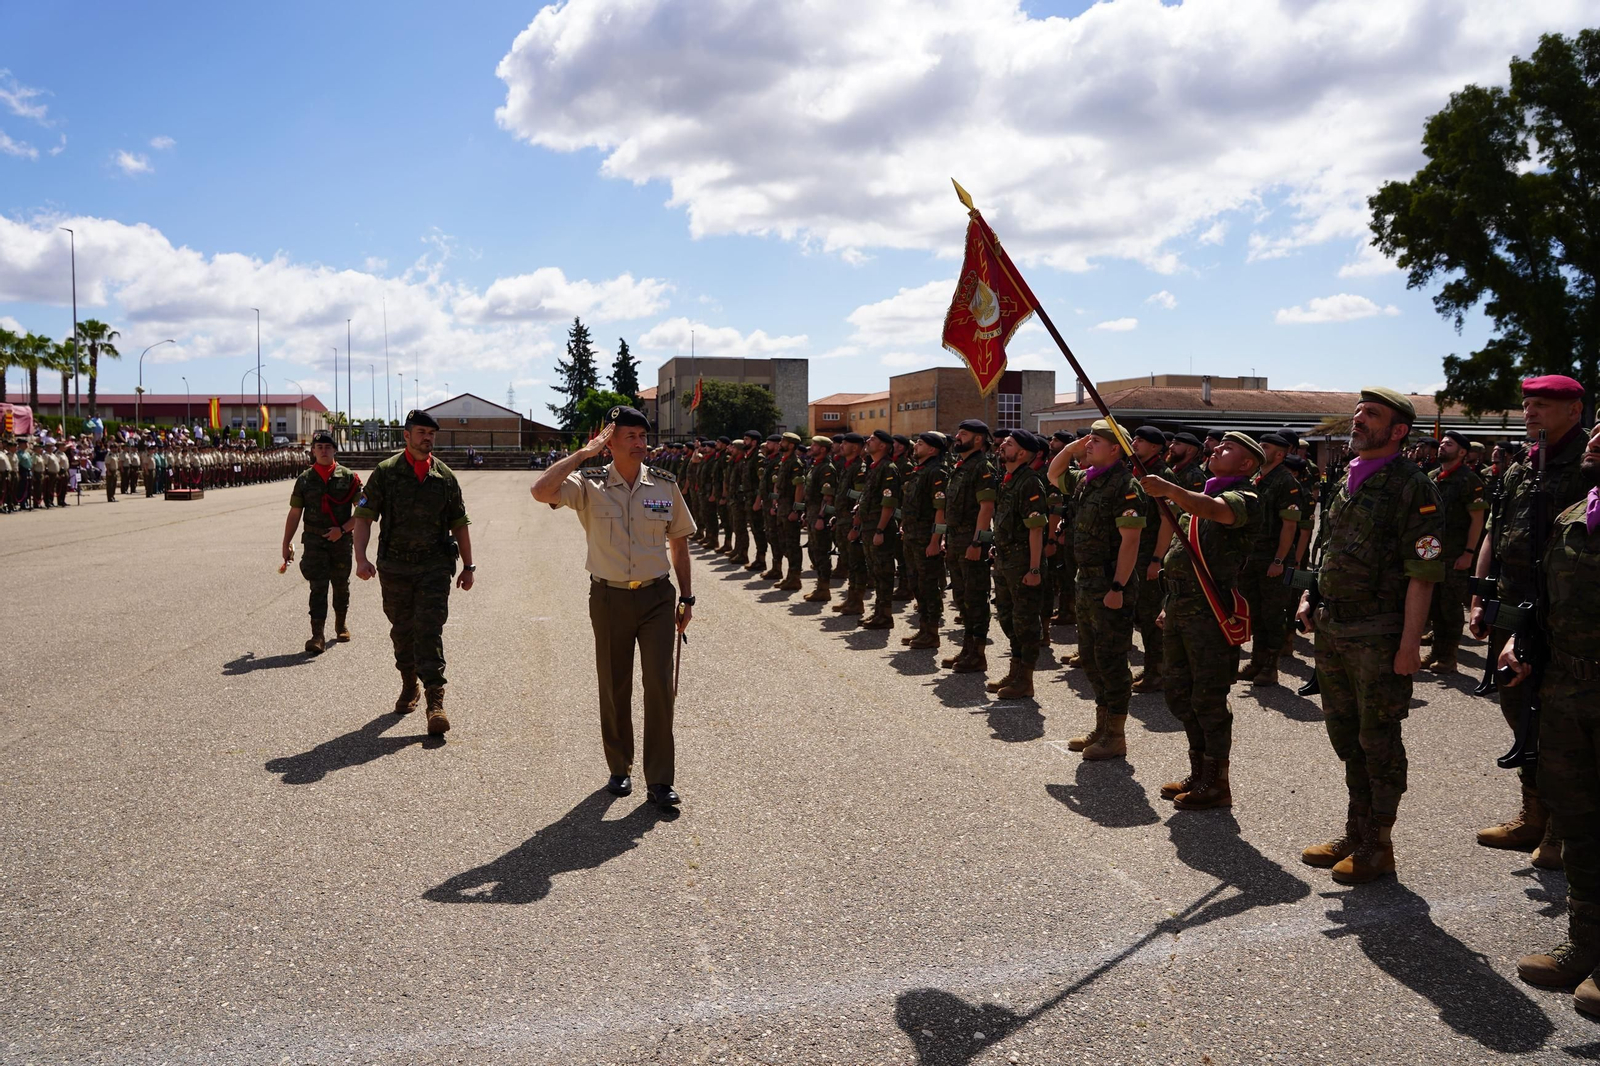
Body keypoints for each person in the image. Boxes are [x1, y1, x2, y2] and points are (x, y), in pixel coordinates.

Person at [1297, 388, 1443, 884]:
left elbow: (1422, 572)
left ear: (1398, 430)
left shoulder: (1412, 486)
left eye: (1372, 415)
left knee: (1378, 738)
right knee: (1345, 736)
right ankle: (1356, 830)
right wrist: (1311, 596)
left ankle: (1379, 844)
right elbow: (1331, 548)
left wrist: (1410, 644)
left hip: (1379, 633)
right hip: (1335, 626)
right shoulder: (1346, 477)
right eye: (1358, 412)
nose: (1359, 420)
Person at [531, 406, 694, 809]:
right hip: (609, 598)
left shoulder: (664, 484)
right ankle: (619, 768)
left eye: (643, 436)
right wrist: (583, 454)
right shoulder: (588, 484)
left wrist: (687, 598)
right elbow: (541, 491)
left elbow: (679, 544)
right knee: (614, 684)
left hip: (657, 597)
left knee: (659, 686)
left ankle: (659, 779)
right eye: (631, 437)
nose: (641, 443)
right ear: (610, 441)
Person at [1501, 422, 1600, 1018]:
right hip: (1567, 690)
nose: (1595, 436)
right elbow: (1545, 599)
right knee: (1580, 820)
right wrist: (1524, 640)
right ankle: (1584, 945)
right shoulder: (1569, 517)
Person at [1471, 375, 1591, 864]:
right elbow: (1496, 533)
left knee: (1561, 722)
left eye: (1543, 404)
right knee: (1520, 710)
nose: (1531, 412)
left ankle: (1563, 830)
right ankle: (1533, 815)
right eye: (1527, 404)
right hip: (1510, 604)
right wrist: (1480, 596)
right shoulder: (1522, 465)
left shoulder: (1588, 466)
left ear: (1574, 411)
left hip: (1563, 614)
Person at [1140, 432, 1264, 809]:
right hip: (1181, 607)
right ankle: (1198, 770)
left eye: (1228, 449)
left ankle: (1216, 782)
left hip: (1211, 613)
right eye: (1219, 445)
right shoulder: (1199, 498)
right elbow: (1183, 555)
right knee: (1179, 693)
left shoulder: (1244, 499)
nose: (1217, 450)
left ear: (1245, 465)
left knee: (1208, 697)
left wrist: (1169, 489)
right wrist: (1168, 604)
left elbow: (1216, 511)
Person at [352, 410, 475, 737]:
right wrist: (360, 558)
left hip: (434, 567)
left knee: (429, 629)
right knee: (402, 630)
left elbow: (459, 523)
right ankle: (409, 682)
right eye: (421, 432)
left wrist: (469, 565)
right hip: (395, 568)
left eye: (431, 434)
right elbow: (363, 517)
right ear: (406, 436)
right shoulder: (386, 473)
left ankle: (435, 700)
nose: (427, 438)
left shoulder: (445, 477)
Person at [1048, 419, 1147, 760]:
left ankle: (1115, 736)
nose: (1088, 444)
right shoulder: (1086, 481)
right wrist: (1071, 448)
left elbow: (1130, 541)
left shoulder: (1126, 485)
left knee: (1112, 660)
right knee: (1090, 658)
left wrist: (1118, 585)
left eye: (1096, 441)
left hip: (1109, 583)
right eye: (1087, 440)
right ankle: (1102, 726)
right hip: (1086, 581)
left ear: (1116, 448)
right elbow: (1053, 474)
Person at [283, 430, 361, 654]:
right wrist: (285, 542)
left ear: (335, 450)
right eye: (319, 448)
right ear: (313, 451)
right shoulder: (305, 480)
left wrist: (343, 529)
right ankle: (317, 635)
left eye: (328, 447)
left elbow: (363, 512)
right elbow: (295, 512)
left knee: (340, 584)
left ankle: (341, 623)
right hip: (314, 541)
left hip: (341, 541)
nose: (324, 451)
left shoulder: (349, 478)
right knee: (317, 587)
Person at [1237, 432, 1303, 688]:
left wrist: (1278, 560)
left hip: (1273, 560)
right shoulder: (1257, 478)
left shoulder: (1286, 482)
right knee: (1255, 612)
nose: (1259, 448)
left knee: (1273, 614)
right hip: (1253, 557)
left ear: (1280, 453)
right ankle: (1257, 660)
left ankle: (1270, 667)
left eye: (1264, 446)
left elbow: (1289, 526)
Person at [986, 430, 1050, 698]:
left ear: (1022, 453)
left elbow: (1036, 530)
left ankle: (1025, 679)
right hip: (1005, 560)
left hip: (1023, 563)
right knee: (1007, 617)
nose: (1002, 446)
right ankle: (1015, 671)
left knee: (1025, 623)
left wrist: (1034, 569)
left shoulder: (1030, 482)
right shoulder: (1008, 479)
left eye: (1009, 444)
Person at [1420, 430, 1488, 675]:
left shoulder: (1469, 481)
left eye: (1449, 444)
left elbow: (1477, 520)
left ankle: (1449, 657)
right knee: (1434, 605)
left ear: (1462, 452)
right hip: (1432, 553)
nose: (1442, 446)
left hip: (1456, 554)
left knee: (1449, 606)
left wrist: (1469, 552)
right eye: (1442, 443)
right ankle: (1436, 652)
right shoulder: (1431, 477)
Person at [941, 420, 997, 671]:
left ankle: (978, 654)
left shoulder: (982, 467)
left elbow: (986, 508)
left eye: (963, 434)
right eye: (958, 432)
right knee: (962, 598)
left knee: (975, 599)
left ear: (978, 439)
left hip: (971, 542)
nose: (957, 437)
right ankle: (967, 649)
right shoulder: (961, 466)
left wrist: (977, 542)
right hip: (955, 540)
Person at [1129, 426, 1174, 692]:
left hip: (1149, 556)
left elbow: (1168, 522)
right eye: (1134, 438)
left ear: (1156, 448)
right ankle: (1151, 668)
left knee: (1150, 616)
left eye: (1141, 440)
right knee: (1141, 615)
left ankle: (1157, 672)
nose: (1134, 443)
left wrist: (1157, 559)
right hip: (1135, 554)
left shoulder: (1160, 475)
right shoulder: (1137, 470)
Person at [898, 431, 948, 649]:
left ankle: (932, 632)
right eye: (917, 442)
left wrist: (936, 540)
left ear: (933, 450)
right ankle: (924, 628)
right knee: (916, 583)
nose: (916, 445)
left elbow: (940, 510)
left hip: (926, 538)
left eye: (921, 443)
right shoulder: (919, 471)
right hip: (912, 535)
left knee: (928, 586)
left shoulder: (936, 472)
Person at [857, 429, 902, 629]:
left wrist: (880, 530)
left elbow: (889, 503)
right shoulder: (874, 467)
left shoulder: (888, 468)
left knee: (884, 573)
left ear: (883, 446)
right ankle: (878, 612)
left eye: (873, 439)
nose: (868, 441)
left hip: (879, 528)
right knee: (875, 571)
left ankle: (885, 616)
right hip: (869, 527)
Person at [801, 435, 840, 604]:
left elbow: (828, 497)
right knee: (816, 550)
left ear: (823, 449)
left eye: (814, 445)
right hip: (812, 513)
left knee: (822, 551)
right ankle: (820, 586)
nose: (811, 447)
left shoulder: (826, 468)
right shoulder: (815, 466)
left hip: (819, 515)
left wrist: (821, 517)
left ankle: (824, 589)